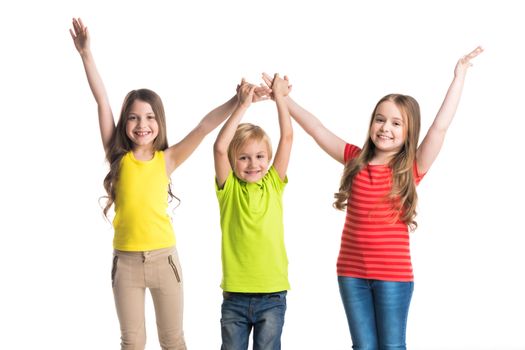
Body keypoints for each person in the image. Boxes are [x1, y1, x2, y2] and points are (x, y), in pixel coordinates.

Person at [262, 47, 483, 349]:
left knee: (392, 347)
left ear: (409, 131)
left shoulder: (409, 168)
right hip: (351, 274)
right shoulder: (354, 159)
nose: (385, 128)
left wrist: (458, 77)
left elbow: (439, 129)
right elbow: (316, 129)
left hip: (393, 277)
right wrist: (284, 99)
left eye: (396, 123)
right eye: (380, 119)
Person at [70, 17, 269, 350]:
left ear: (159, 123)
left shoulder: (168, 159)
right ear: (125, 123)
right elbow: (103, 101)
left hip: (165, 262)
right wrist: (86, 54)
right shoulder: (118, 156)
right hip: (127, 264)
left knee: (173, 339)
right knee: (132, 341)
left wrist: (238, 102)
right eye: (133, 117)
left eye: (149, 117)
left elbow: (205, 128)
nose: (141, 124)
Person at [213, 75, 293, 350]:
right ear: (234, 161)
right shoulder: (229, 189)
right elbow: (220, 147)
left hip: (272, 295)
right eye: (244, 157)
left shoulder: (273, 183)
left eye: (259, 156)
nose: (252, 164)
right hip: (235, 295)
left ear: (268, 159)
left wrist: (280, 99)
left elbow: (287, 138)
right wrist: (242, 105)